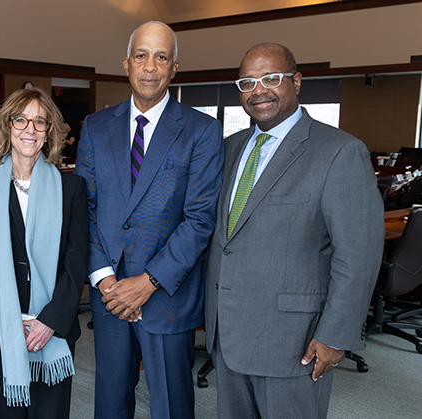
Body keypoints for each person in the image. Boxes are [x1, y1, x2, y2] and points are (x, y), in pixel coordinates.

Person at [204, 43, 385, 419]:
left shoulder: (339, 152)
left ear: (297, 82)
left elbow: (358, 255)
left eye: (271, 78)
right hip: (228, 333)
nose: (259, 91)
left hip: (294, 341)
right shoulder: (229, 149)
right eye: (247, 82)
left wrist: (336, 335)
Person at [74, 21, 224, 419]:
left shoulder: (202, 131)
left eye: (162, 57)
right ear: (126, 63)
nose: (150, 66)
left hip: (166, 297)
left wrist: (147, 283)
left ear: (175, 67)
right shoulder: (95, 126)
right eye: (142, 55)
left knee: (171, 406)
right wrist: (104, 278)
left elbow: (199, 219)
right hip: (108, 294)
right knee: (109, 402)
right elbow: (82, 210)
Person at [0, 87, 88, 419]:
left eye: (40, 122)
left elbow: (76, 260)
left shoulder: (71, 188)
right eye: (21, 120)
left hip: (53, 327)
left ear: (49, 132)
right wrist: (8, 317)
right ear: (8, 126)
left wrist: (49, 321)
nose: (30, 129)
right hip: (0, 328)